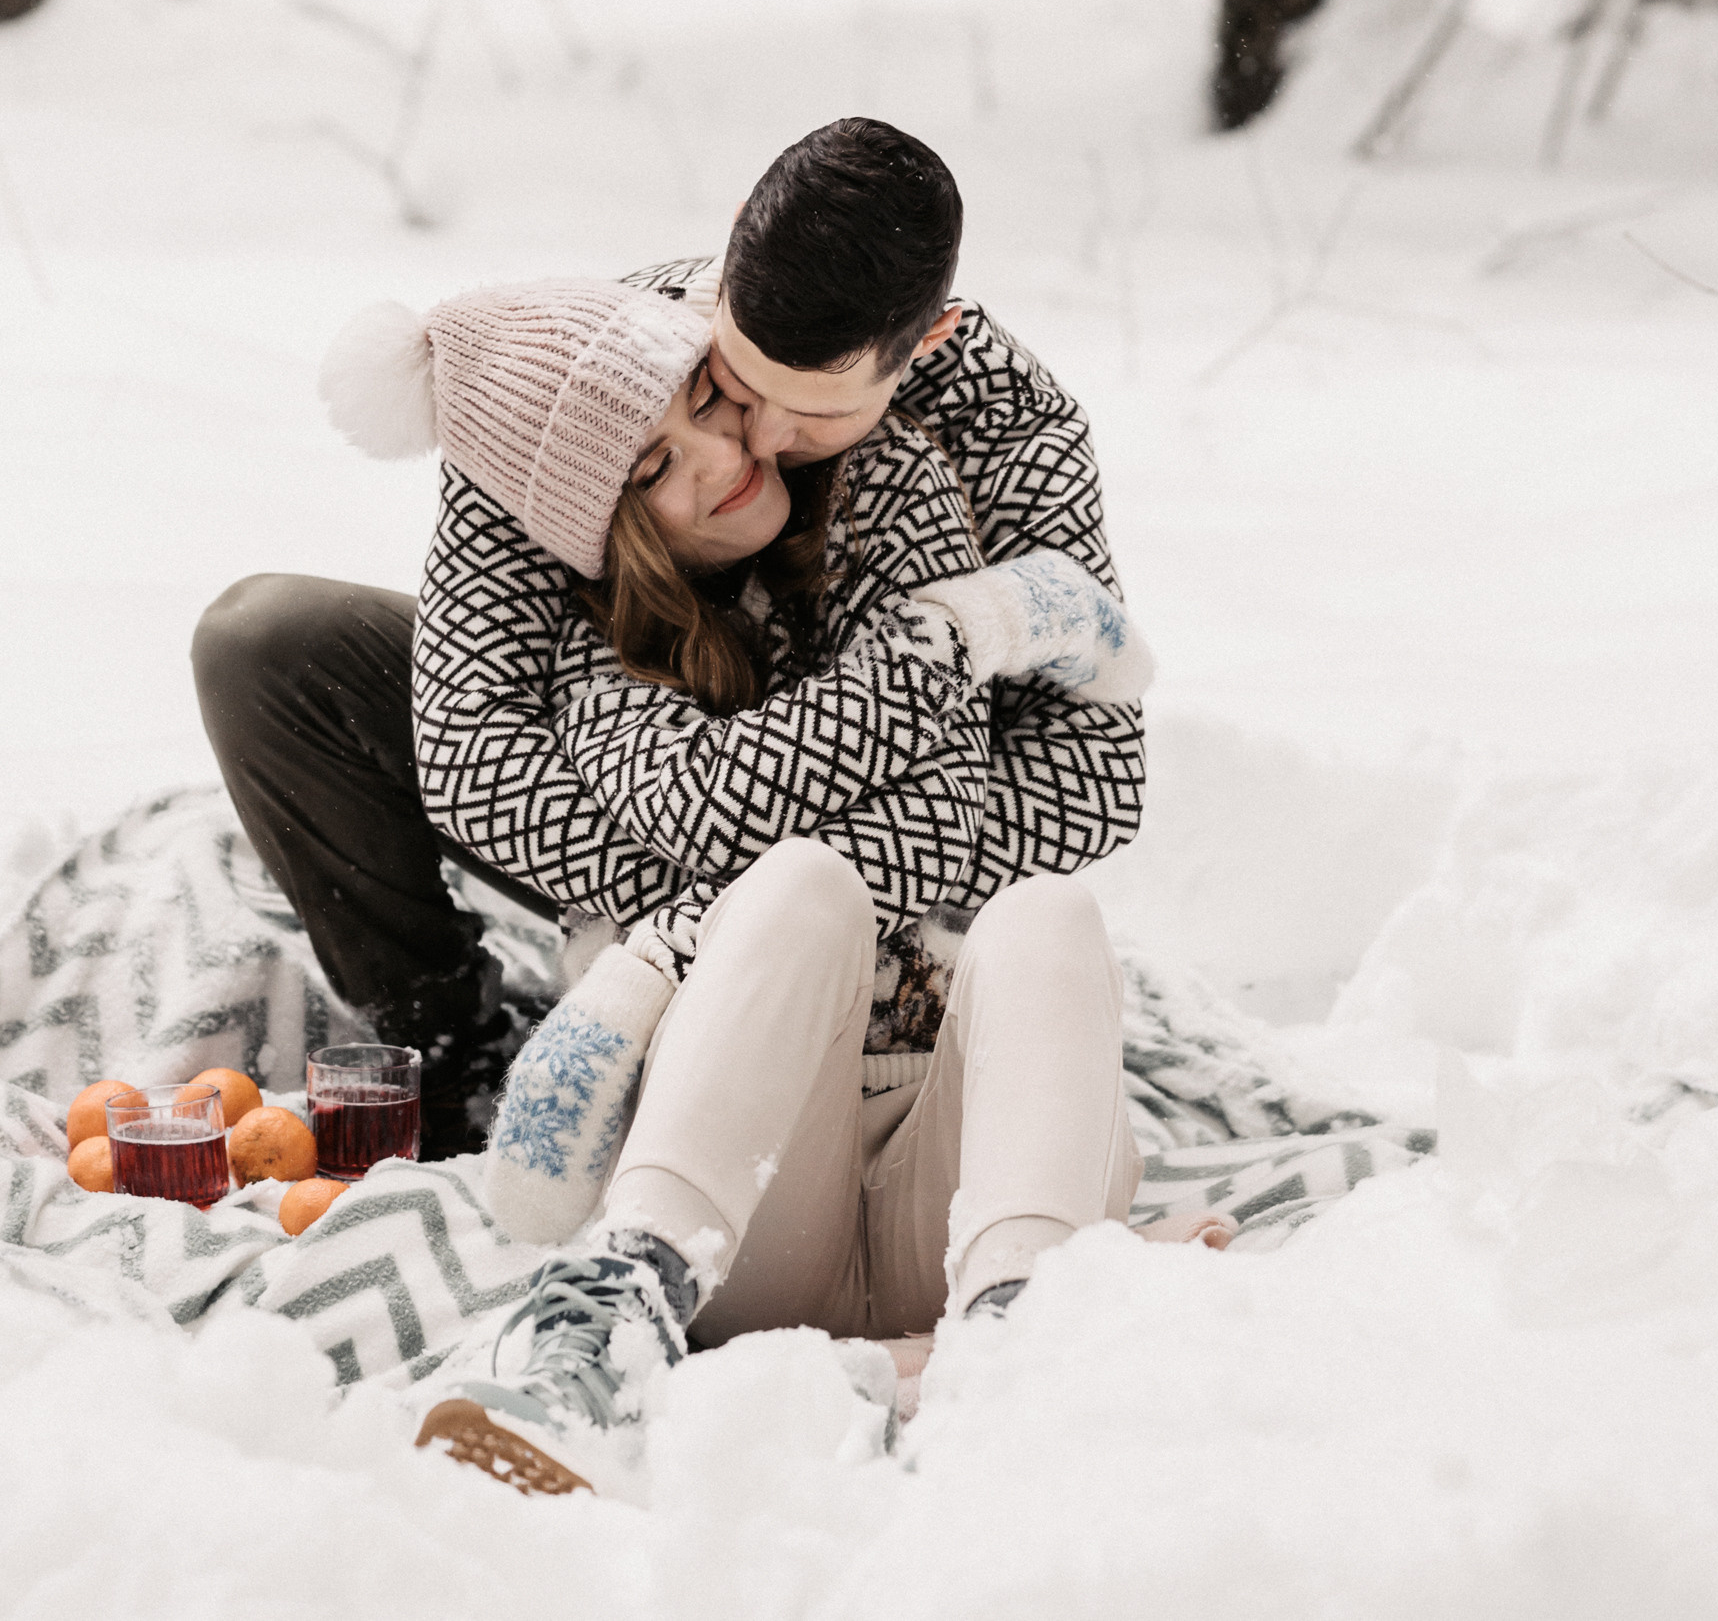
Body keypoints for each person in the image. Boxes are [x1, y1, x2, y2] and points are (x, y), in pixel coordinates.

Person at [304, 266, 1159, 1498]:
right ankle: (605, 1336)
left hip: (957, 1176)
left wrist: (748, 847)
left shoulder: (884, 509)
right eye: (649, 469)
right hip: (754, 1207)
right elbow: (713, 803)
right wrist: (949, 641)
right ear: (596, 528)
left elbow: (982, 805)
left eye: (704, 401)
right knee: (803, 884)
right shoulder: (603, 662)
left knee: (1047, 912)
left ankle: (1019, 1334)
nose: (716, 456)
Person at [192, 118, 1148, 1152]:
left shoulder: (1005, 430)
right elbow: (474, 748)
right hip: (636, 756)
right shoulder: (584, 357)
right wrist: (702, 882)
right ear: (734, 243)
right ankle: (461, 1059)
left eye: (813, 415)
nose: (758, 438)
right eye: (733, 378)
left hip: (903, 819)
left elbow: (1089, 782)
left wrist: (810, 890)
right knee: (270, 642)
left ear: (923, 342)